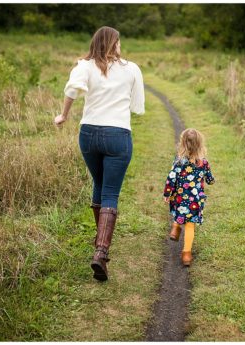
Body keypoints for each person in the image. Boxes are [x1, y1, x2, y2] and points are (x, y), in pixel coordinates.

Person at [55, 26, 145, 281]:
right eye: (118, 42)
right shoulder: (132, 69)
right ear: (113, 43)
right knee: (110, 192)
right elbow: (138, 107)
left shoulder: (85, 65)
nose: (120, 46)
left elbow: (72, 90)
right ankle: (101, 252)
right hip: (117, 135)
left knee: (99, 182)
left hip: (89, 135)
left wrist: (63, 115)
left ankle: (100, 243)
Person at [162, 128, 215, 267]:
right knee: (190, 225)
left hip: (180, 197)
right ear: (199, 144)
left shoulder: (179, 161)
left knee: (180, 212)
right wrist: (210, 180)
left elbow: (172, 177)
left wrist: (167, 193)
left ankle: (176, 226)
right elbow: (210, 179)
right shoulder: (203, 162)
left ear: (183, 143)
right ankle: (186, 254)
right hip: (195, 200)